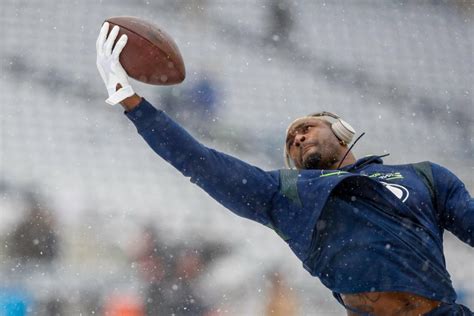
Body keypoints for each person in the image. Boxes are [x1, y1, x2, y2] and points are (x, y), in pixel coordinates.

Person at [96, 23, 473, 315]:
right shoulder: (286, 193)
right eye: (291, 141)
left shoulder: (425, 176)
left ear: (341, 131)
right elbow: (199, 161)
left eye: (306, 128)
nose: (297, 138)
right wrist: (131, 102)